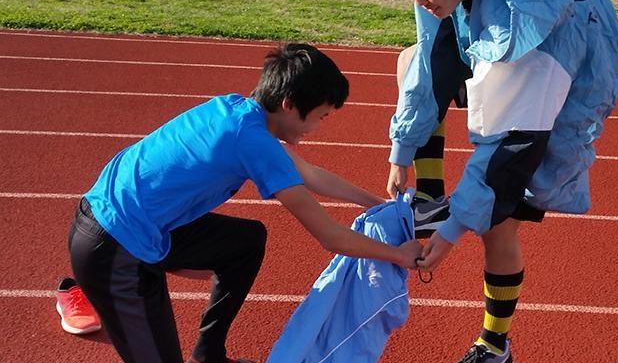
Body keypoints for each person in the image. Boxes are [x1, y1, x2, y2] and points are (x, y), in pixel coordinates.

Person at [68, 43, 423, 363]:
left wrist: (376, 205)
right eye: (320, 116)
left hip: (136, 226)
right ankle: (118, 289)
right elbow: (330, 236)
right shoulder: (253, 141)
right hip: (115, 249)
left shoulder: (238, 111)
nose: (317, 127)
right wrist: (397, 255)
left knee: (246, 241)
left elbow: (311, 175)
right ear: (288, 105)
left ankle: (209, 354)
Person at [386, 0, 618, 362]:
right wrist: (402, 149)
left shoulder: (524, 38)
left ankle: (495, 346)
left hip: (570, 78)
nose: (420, 0)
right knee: (412, 61)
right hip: (528, 36)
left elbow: (508, 149)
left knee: (497, 225)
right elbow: (431, 56)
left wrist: (452, 231)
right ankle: (431, 199)